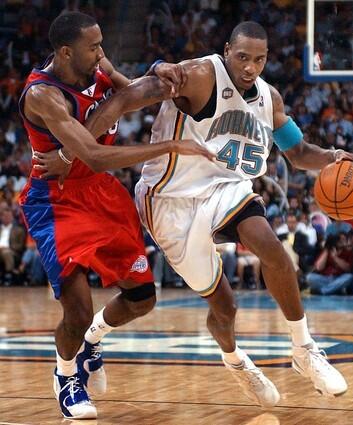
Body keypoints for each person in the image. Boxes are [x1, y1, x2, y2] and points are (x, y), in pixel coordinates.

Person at [38, 21, 353, 408]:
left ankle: (304, 349)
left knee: (272, 247)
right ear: (228, 50)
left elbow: (298, 154)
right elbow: (125, 99)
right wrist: (72, 151)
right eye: (243, 57)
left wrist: (332, 156)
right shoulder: (198, 75)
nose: (250, 67)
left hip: (227, 189)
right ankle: (228, 357)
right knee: (225, 307)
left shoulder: (270, 99)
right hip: (171, 200)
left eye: (259, 60)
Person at [19, 12, 214, 420]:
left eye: (101, 44)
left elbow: (129, 94)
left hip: (103, 195)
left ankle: (92, 341)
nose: (101, 52)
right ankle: (66, 375)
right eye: (94, 47)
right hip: (58, 200)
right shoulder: (43, 95)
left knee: (143, 299)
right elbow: (95, 155)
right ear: (66, 51)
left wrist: (156, 72)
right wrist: (169, 147)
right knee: (77, 309)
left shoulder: (96, 65)